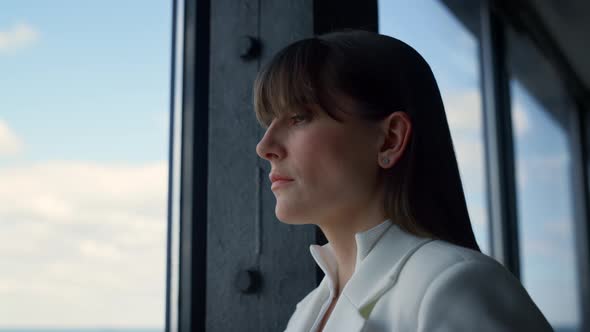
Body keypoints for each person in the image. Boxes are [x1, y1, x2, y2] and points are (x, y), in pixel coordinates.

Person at [254, 29, 552, 332]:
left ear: (390, 140)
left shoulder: (454, 287)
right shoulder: (308, 311)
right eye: (269, 122)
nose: (264, 147)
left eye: (299, 117)